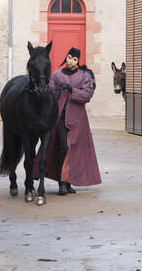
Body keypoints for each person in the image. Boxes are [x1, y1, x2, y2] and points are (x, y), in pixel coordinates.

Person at [34, 46, 101, 194]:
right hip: (59, 117)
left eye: (75, 59)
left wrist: (71, 90)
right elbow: (48, 92)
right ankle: (61, 182)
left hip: (78, 119)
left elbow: (87, 95)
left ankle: (68, 182)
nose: (71, 61)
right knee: (63, 147)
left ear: (78, 61)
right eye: (70, 57)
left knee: (74, 150)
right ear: (66, 57)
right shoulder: (56, 75)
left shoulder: (84, 76)